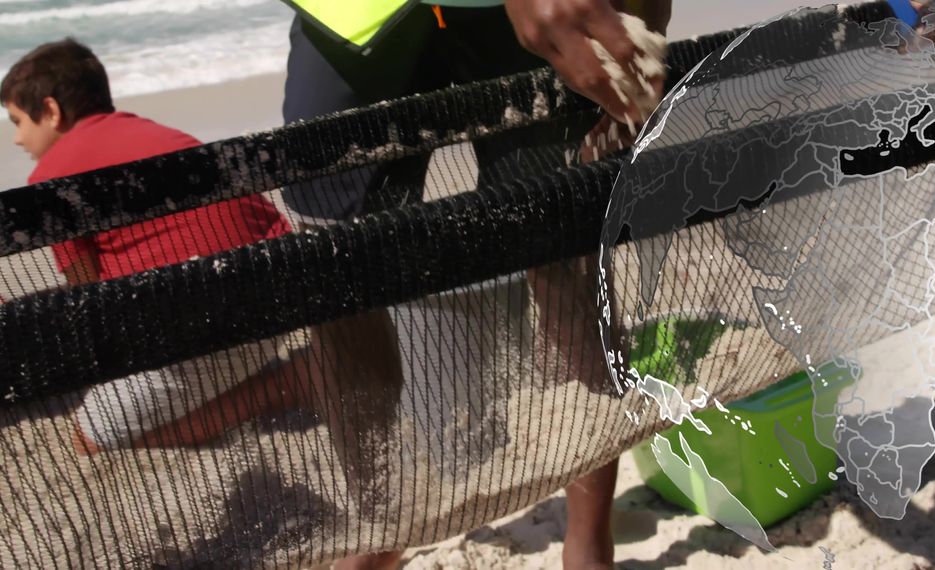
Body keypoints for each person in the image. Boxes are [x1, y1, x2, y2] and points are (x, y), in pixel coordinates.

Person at [278, 2, 671, 569]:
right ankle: (384, 523)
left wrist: (637, 15)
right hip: (355, 14)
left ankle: (588, 539)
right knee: (334, 269)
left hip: (504, 18)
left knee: (564, 245)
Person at [0, 38, 302, 457]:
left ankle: (285, 386)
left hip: (207, 329)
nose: (16, 139)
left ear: (51, 111)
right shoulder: (150, 131)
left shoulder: (52, 180)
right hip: (284, 299)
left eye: (17, 121)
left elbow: (87, 297)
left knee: (91, 438)